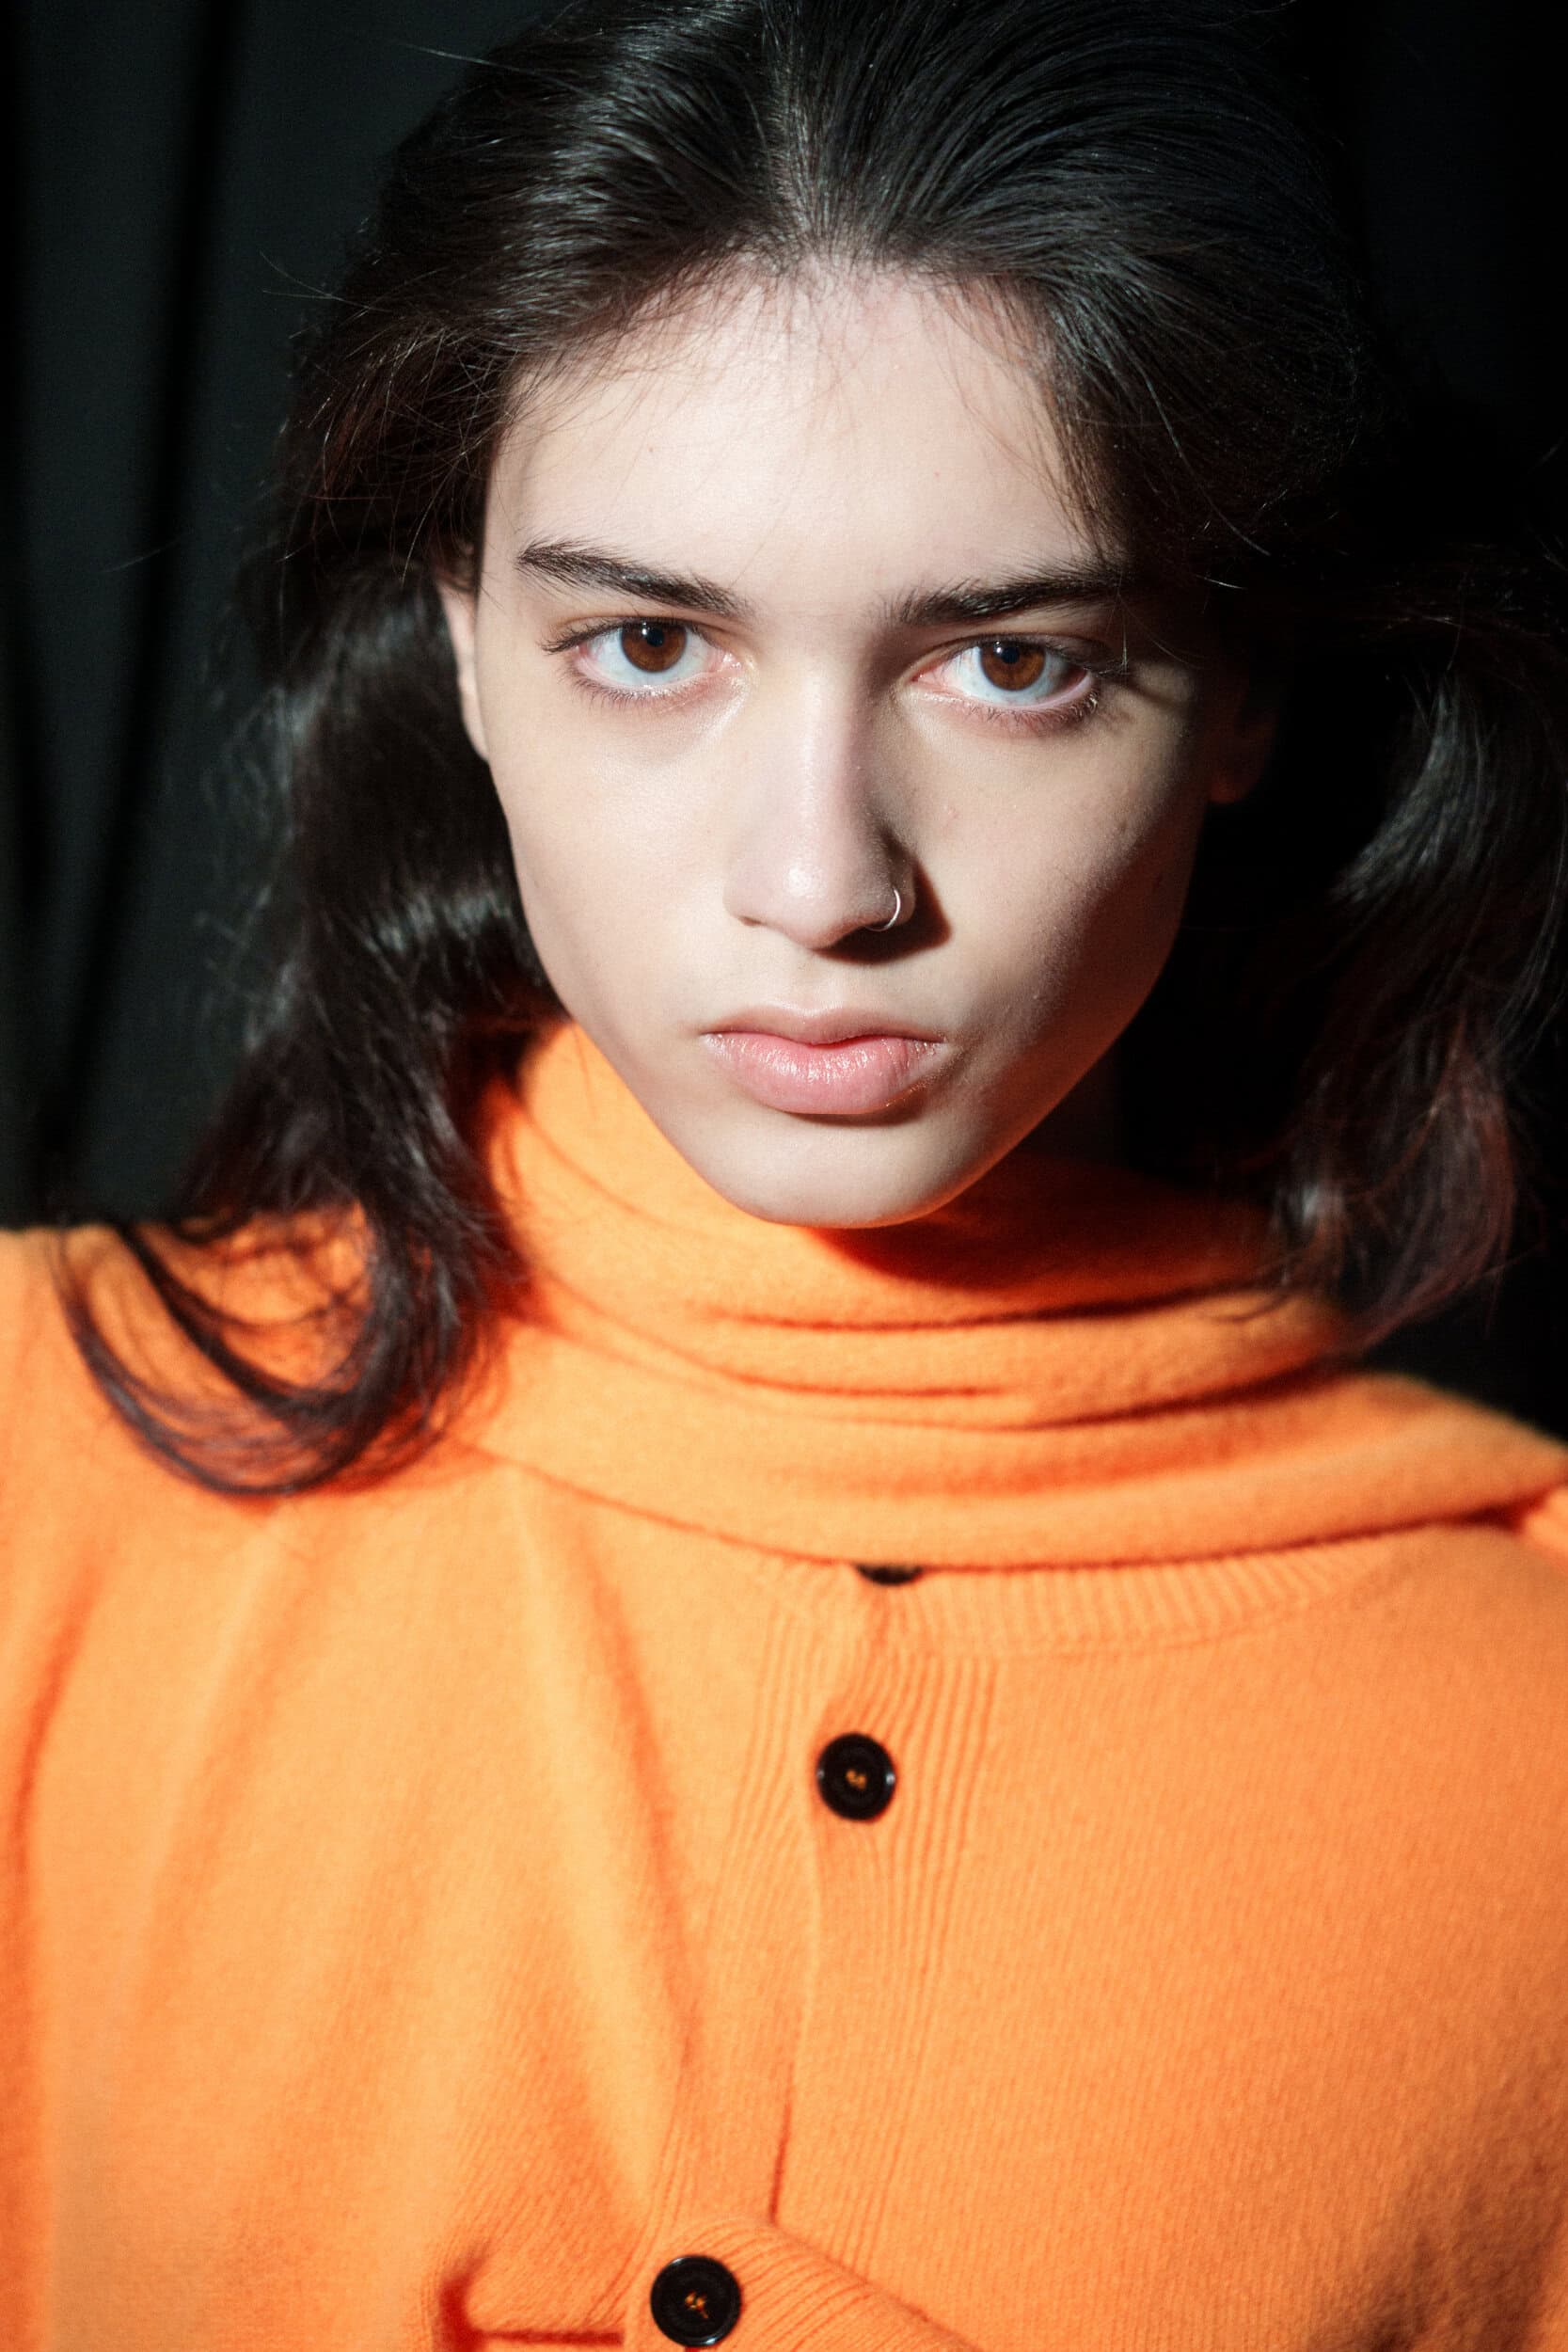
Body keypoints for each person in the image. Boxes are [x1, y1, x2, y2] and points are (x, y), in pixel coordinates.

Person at [4, 0, 1568, 2344]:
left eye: (1011, 663)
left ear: (1240, 688)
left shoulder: (1533, 1730)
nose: (820, 880)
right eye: (650, 642)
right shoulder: (41, 1467)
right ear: (461, 640)